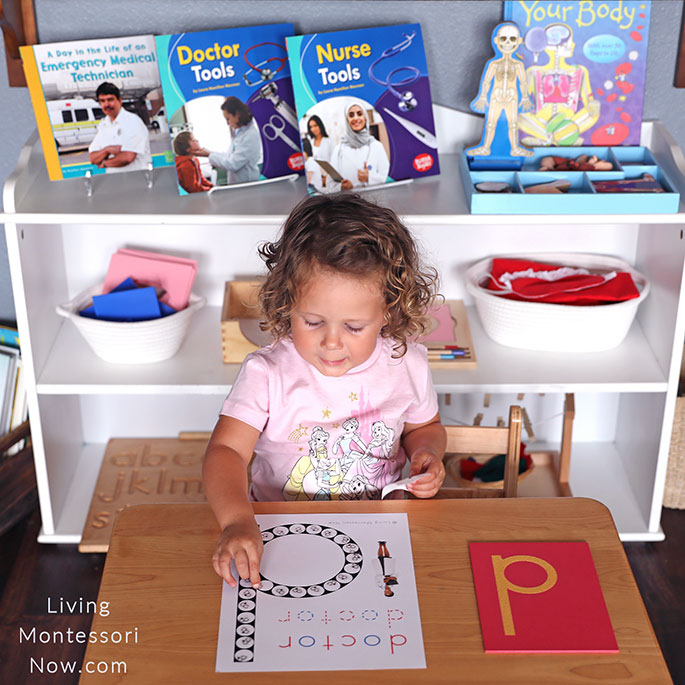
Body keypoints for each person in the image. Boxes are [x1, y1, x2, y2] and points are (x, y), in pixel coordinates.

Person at [203, 193, 447, 587]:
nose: (332, 343)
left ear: (388, 310)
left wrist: (427, 452)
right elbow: (226, 451)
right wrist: (236, 519)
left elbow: (426, 426)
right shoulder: (268, 372)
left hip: (382, 533)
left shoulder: (408, 363)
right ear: (288, 302)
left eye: (353, 327)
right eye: (313, 321)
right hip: (280, 534)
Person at [195, 96, 260, 184]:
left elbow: (232, 164)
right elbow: (229, 156)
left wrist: (209, 155)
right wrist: (210, 153)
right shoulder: (240, 132)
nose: (227, 123)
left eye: (228, 119)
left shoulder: (250, 135)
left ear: (237, 114)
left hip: (247, 183)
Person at [88, 82, 152, 173]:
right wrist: (107, 149)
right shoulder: (103, 125)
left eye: (110, 100)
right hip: (115, 182)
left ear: (119, 101)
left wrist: (105, 163)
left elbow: (127, 157)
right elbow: (93, 158)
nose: (106, 105)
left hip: (137, 180)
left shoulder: (132, 121)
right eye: (102, 101)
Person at [328, 102, 390, 191]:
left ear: (365, 118)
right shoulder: (339, 149)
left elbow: (388, 179)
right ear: (347, 120)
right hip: (348, 201)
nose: (356, 118)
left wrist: (370, 178)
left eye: (359, 114)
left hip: (374, 200)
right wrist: (341, 187)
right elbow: (330, 183)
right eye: (351, 115)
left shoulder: (376, 146)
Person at [306, 114, 332, 188]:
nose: (313, 129)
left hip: (327, 178)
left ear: (320, 125)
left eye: (315, 125)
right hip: (313, 179)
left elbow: (333, 161)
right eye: (311, 127)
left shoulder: (329, 142)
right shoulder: (310, 142)